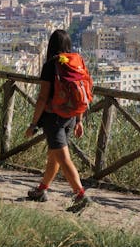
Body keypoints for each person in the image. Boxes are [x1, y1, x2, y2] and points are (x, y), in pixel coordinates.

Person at [25, 29, 91, 212]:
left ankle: (80, 195)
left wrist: (33, 124)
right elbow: (81, 91)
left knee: (63, 158)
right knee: (54, 156)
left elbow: (42, 98)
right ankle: (41, 190)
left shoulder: (51, 66)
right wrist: (79, 120)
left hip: (53, 118)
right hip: (70, 117)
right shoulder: (76, 62)